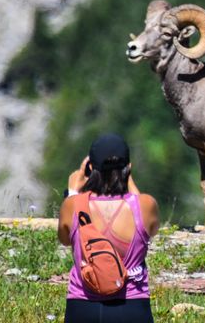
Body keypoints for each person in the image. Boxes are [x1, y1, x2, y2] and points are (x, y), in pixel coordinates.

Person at [58, 133, 160, 323]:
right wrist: (127, 177)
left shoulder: (73, 205)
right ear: (128, 167)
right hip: (131, 307)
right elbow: (150, 231)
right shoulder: (146, 205)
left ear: (90, 168)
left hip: (82, 306)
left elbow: (65, 239)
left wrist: (72, 191)